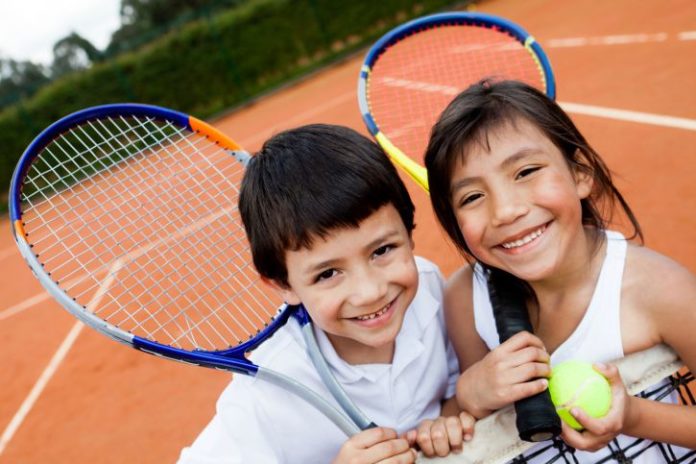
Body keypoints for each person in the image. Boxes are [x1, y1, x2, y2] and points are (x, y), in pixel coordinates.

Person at [423, 79, 696, 461]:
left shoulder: (659, 289)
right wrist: (469, 395)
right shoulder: (465, 299)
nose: (505, 211)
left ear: (580, 174)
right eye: (472, 197)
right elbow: (471, 425)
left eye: (526, 171)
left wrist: (633, 415)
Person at [177, 124, 474, 464]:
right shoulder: (269, 386)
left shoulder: (428, 287)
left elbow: (453, 388)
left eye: (382, 250)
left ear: (409, 232)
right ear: (284, 285)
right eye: (328, 273)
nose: (370, 291)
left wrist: (448, 417)